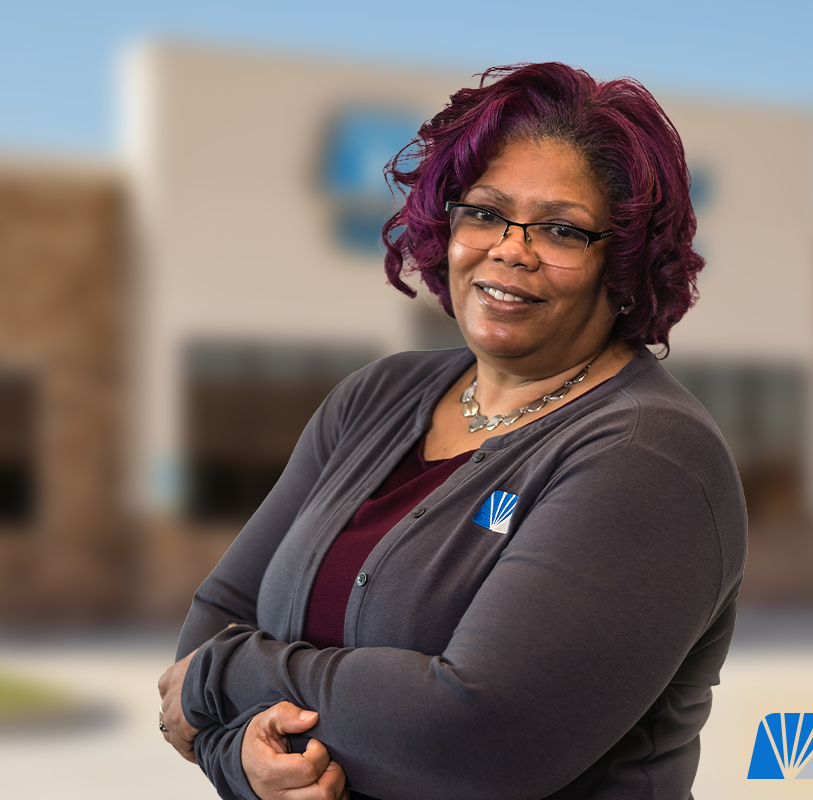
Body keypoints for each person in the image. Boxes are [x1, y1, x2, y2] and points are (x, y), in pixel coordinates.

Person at [158, 62, 747, 800]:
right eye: (485, 212)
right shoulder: (377, 397)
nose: (510, 249)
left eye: (561, 229)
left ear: (622, 264)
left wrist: (224, 678)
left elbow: (476, 738)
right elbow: (213, 626)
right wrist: (242, 760)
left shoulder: (647, 457)